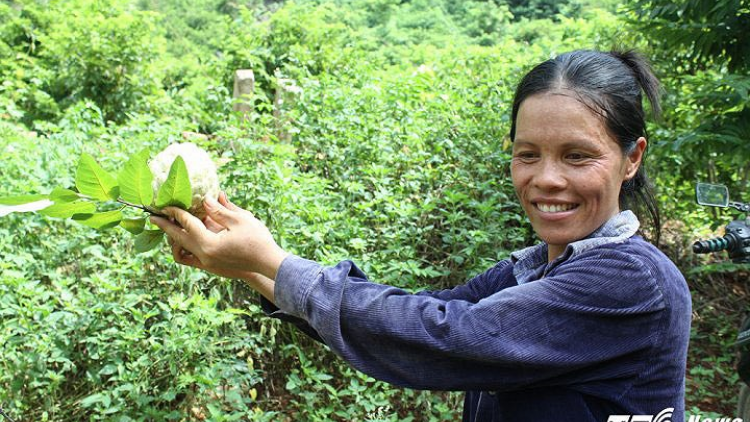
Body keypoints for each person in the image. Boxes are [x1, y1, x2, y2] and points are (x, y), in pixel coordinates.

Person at [151, 49, 692, 422]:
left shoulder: (631, 281)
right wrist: (245, 265)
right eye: (527, 155)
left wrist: (274, 259)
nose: (546, 179)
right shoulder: (534, 268)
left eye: (577, 156)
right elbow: (412, 318)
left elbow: (445, 338)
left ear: (631, 159)